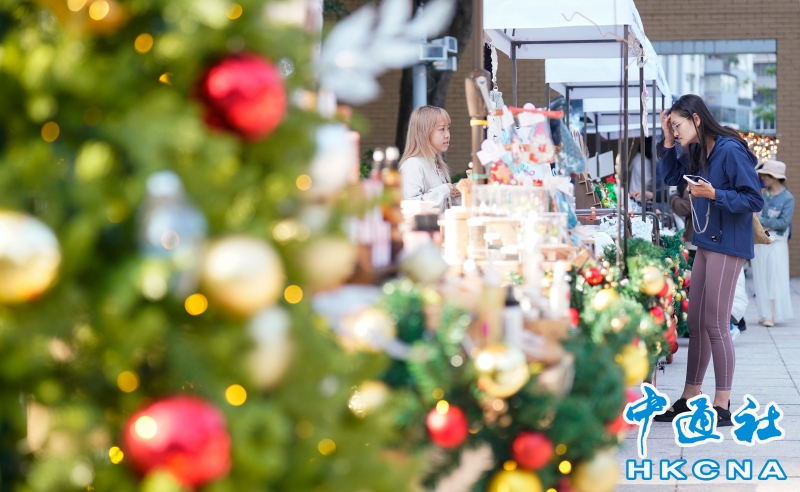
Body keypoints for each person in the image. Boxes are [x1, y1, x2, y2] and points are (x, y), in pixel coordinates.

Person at [653, 94, 764, 427]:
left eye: (677, 125)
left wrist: (714, 194)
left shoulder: (729, 150)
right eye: (672, 126)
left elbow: (754, 199)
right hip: (705, 241)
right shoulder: (698, 151)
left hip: (728, 244)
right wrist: (668, 140)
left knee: (716, 324)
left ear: (696, 119)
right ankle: (690, 397)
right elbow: (670, 179)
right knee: (697, 322)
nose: (675, 130)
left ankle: (722, 404)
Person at [752, 160, 794, 326]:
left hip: (777, 242)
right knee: (761, 276)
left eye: (766, 176)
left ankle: (773, 315)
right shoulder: (764, 195)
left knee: (774, 277)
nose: (763, 178)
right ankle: (765, 313)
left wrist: (762, 220)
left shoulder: (788, 198)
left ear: (775, 177)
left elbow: (783, 222)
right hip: (761, 241)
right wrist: (765, 222)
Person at [399, 106, 461, 213]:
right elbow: (410, 207)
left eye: (448, 128)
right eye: (441, 129)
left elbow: (442, 208)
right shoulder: (413, 164)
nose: (447, 135)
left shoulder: (435, 164)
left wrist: (458, 192)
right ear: (425, 133)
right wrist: (444, 190)